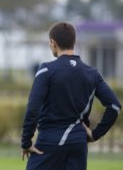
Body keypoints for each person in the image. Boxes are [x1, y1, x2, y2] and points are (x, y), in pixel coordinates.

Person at [21, 22, 121, 170]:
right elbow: (114, 106)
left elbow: (33, 108)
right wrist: (95, 134)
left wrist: (26, 142)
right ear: (73, 42)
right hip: (78, 144)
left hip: (50, 142)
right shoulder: (92, 74)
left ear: (53, 43)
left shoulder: (46, 70)